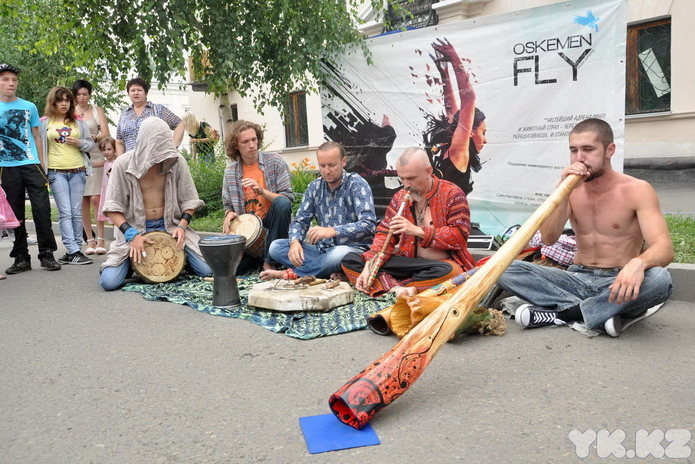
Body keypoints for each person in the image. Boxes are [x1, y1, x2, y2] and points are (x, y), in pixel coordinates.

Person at [497, 118, 674, 337]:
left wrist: (639, 263)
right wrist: (563, 192)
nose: (580, 158)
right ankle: (601, 313)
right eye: (574, 150)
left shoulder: (637, 190)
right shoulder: (570, 190)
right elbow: (549, 238)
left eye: (588, 149)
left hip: (618, 281)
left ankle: (564, 314)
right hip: (577, 277)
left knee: (660, 280)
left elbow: (664, 249)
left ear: (610, 150)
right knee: (503, 267)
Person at [342, 147, 476, 297]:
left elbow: (459, 237)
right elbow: (385, 233)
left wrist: (417, 231)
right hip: (407, 263)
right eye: (402, 178)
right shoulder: (399, 197)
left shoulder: (452, 194)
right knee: (350, 259)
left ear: (428, 171)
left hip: (440, 264)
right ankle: (406, 289)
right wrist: (370, 263)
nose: (406, 185)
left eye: (411, 178)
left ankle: (392, 286)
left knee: (452, 272)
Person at [99, 117, 212, 291]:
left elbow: (190, 199)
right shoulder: (122, 164)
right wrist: (131, 235)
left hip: (170, 226)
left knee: (206, 270)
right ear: (144, 143)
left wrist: (182, 226)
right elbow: (112, 208)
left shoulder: (176, 161)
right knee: (109, 282)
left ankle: (178, 260)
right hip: (135, 228)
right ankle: (132, 260)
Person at [261, 142, 377, 280]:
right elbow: (300, 221)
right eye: (322, 166)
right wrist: (295, 242)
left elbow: (369, 225)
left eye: (332, 165)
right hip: (321, 251)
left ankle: (293, 274)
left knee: (337, 255)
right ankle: (329, 271)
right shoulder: (314, 187)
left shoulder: (357, 184)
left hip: (353, 250)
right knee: (276, 247)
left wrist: (333, 231)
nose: (326, 171)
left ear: (343, 161)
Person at [0, 64, 61, 274]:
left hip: (31, 164)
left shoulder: (29, 107)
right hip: (5, 167)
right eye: (5, 79)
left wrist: (42, 163)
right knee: (15, 216)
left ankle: (47, 255)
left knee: (42, 210)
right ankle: (21, 258)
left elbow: (37, 136)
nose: (11, 83)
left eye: (13, 80)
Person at [222, 120, 293, 275]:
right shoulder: (230, 173)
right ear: (236, 145)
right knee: (230, 270)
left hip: (273, 226)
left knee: (282, 202)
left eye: (254, 140)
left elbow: (287, 199)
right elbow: (227, 205)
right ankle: (259, 258)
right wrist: (229, 215)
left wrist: (262, 191)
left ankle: (268, 262)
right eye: (245, 142)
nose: (252, 145)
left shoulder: (274, 162)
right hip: (249, 234)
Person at [40, 86, 95, 265]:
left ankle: (75, 249)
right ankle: (72, 250)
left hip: (78, 171)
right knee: (65, 212)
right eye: (60, 100)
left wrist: (79, 142)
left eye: (67, 100)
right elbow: (39, 147)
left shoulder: (78, 122)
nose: (64, 103)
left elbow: (89, 145)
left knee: (76, 212)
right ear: (53, 102)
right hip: (56, 173)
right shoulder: (44, 123)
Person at [425, 38, 487, 195]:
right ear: (470, 132)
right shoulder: (458, 153)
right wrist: (455, 60)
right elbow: (469, 98)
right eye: (483, 132)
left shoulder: (451, 149)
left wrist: (445, 74)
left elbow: (451, 109)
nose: (485, 139)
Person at [72, 79, 110, 255]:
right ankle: (90, 239)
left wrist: (94, 138)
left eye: (85, 94)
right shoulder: (71, 111)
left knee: (97, 199)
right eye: (78, 94)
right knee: (83, 201)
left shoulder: (97, 110)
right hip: (78, 158)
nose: (81, 97)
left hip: (96, 156)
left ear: (89, 95)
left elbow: (106, 133)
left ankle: (101, 238)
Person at [115, 77, 184, 155]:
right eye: (132, 90)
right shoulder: (124, 115)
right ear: (128, 94)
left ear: (146, 93)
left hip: (155, 159)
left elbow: (179, 124)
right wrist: (120, 161)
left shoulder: (157, 110)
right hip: (130, 161)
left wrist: (173, 147)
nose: (136, 93)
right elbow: (119, 141)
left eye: (139, 90)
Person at [96, 136, 117, 224]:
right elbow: (93, 164)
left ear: (115, 149)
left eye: (109, 149)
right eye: (104, 150)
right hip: (107, 191)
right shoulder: (105, 163)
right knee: (110, 214)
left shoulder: (117, 162)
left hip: (115, 191)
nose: (106, 152)